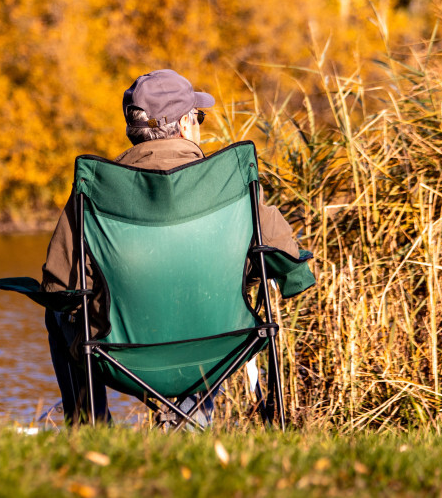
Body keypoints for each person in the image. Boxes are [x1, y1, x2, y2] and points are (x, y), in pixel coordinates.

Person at [40, 69, 303, 425]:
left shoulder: (96, 190)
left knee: (58, 314)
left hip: (121, 356)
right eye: (199, 117)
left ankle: (92, 428)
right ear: (182, 124)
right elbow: (287, 258)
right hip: (219, 349)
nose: (200, 126)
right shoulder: (228, 182)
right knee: (200, 300)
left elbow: (59, 286)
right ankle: (195, 419)